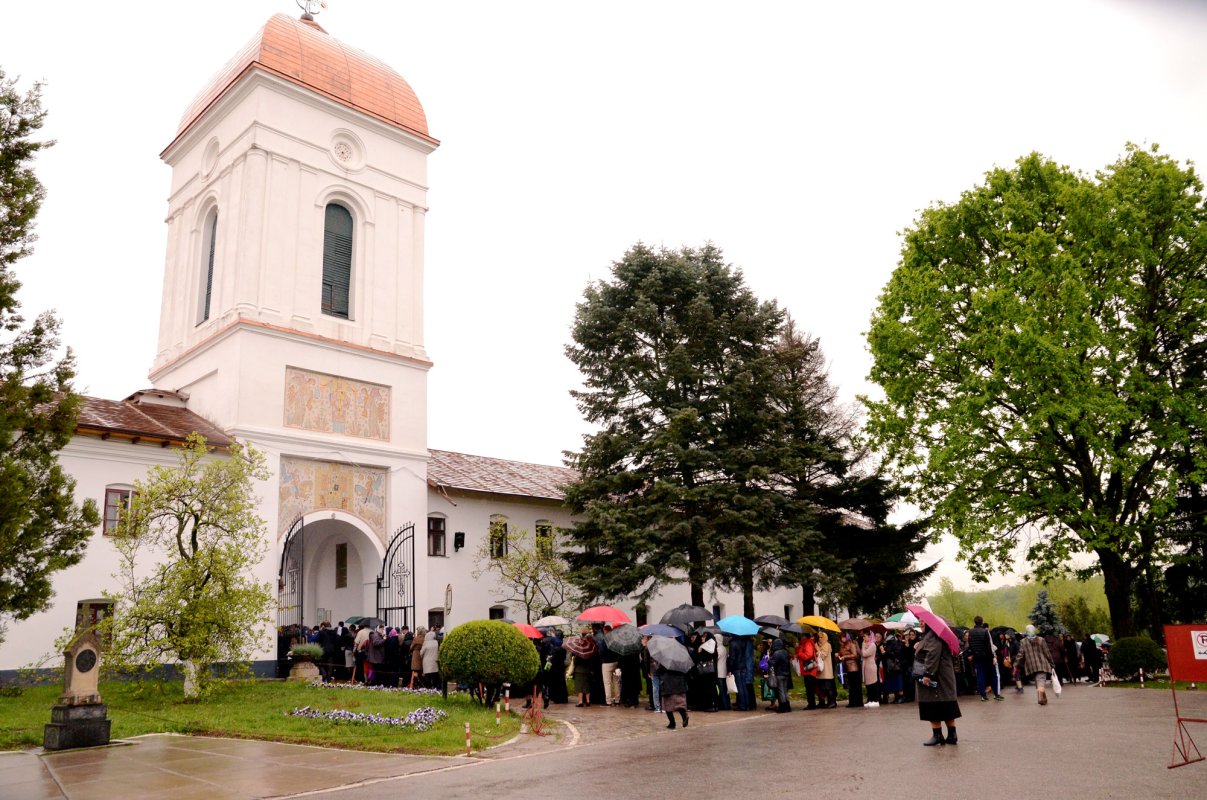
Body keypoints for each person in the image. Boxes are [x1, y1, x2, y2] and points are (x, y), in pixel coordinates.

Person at [915, 620, 961, 746]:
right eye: (920, 622)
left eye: (923, 622)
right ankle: (952, 735)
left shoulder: (932, 636)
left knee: (933, 704)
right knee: (946, 704)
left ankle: (937, 735)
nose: (921, 623)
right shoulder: (934, 636)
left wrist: (927, 674)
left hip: (936, 678)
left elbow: (932, 655)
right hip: (943, 677)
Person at [1016, 624, 1056, 705]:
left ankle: (1044, 699)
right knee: (1041, 680)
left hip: (1031, 666)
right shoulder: (1041, 640)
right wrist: (1052, 663)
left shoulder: (1023, 641)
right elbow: (1047, 653)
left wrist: (1015, 663)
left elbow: (1020, 654)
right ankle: (1040, 698)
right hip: (1042, 664)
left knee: (1038, 681)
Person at [968, 616, 1002, 701]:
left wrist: (973, 654)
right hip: (987, 657)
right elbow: (988, 646)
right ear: (982, 622)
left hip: (977, 657)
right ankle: (996, 694)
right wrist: (993, 657)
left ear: (974, 622)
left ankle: (983, 695)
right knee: (993, 675)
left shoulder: (970, 632)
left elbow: (970, 645)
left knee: (980, 676)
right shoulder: (985, 631)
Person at [655, 656, 690, 730]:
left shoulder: (664, 658)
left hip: (668, 684)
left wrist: (657, 669)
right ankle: (684, 716)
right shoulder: (680, 657)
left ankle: (672, 723)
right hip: (679, 684)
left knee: (668, 704)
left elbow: (661, 670)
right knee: (679, 703)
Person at [728, 634, 755, 711]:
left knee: (739, 686)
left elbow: (732, 657)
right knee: (743, 686)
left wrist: (730, 669)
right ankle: (746, 704)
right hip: (743, 666)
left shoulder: (733, 643)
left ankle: (742, 705)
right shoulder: (743, 642)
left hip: (737, 666)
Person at [796, 632, 819, 709]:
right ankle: (811, 704)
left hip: (810, 670)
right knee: (809, 687)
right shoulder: (805, 643)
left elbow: (808, 655)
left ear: (805, 636)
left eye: (802, 636)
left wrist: (799, 653)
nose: (801, 637)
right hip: (808, 670)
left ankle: (812, 704)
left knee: (810, 688)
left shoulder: (807, 643)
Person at [599, 624, 621, 706]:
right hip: (616, 662)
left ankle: (608, 701)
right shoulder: (616, 640)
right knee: (617, 682)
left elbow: (601, 652)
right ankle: (617, 699)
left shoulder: (604, 640)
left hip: (606, 663)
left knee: (607, 683)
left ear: (605, 631)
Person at [880, 633, 905, 704]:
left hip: (895, 666)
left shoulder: (894, 643)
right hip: (891, 666)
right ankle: (896, 698)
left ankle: (899, 697)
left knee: (897, 682)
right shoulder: (888, 643)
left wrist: (885, 652)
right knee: (895, 682)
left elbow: (896, 654)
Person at [839, 632, 862, 708]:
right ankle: (852, 701)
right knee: (850, 685)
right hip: (847, 667)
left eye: (844, 637)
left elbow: (855, 655)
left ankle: (857, 701)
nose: (843, 639)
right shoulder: (843, 645)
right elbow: (841, 653)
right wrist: (838, 655)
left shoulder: (851, 644)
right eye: (842, 637)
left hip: (853, 667)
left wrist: (845, 657)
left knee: (855, 685)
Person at [770, 638, 793, 713]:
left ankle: (782, 707)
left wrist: (769, 660)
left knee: (780, 691)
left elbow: (773, 663)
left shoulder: (777, 653)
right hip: (786, 674)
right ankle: (787, 706)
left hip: (779, 674)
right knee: (785, 690)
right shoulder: (785, 652)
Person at [815, 631, 836, 708]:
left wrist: (817, 650)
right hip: (820, 671)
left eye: (821, 637)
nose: (820, 639)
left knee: (828, 687)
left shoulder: (827, 645)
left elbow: (823, 656)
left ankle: (832, 702)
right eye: (819, 637)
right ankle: (822, 702)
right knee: (821, 688)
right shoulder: (819, 645)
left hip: (826, 671)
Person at [861, 631, 881, 707]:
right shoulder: (867, 645)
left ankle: (874, 699)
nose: (864, 638)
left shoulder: (872, 645)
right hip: (866, 667)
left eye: (865, 636)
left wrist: (863, 645)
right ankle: (870, 699)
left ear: (869, 637)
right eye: (864, 637)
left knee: (872, 683)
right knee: (868, 684)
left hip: (871, 666)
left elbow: (864, 654)